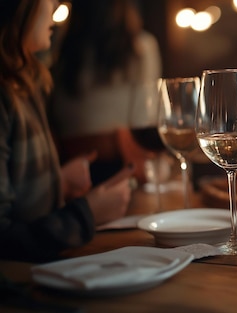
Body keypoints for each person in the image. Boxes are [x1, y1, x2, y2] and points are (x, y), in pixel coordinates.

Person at [0, 0, 134, 262]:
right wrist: (87, 215)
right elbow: (4, 241)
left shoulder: (25, 82)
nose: (55, 4)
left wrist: (54, 184)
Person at [48, 0, 162, 185]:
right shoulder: (141, 47)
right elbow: (145, 118)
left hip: (70, 177)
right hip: (122, 175)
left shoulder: (62, 53)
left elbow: (60, 124)